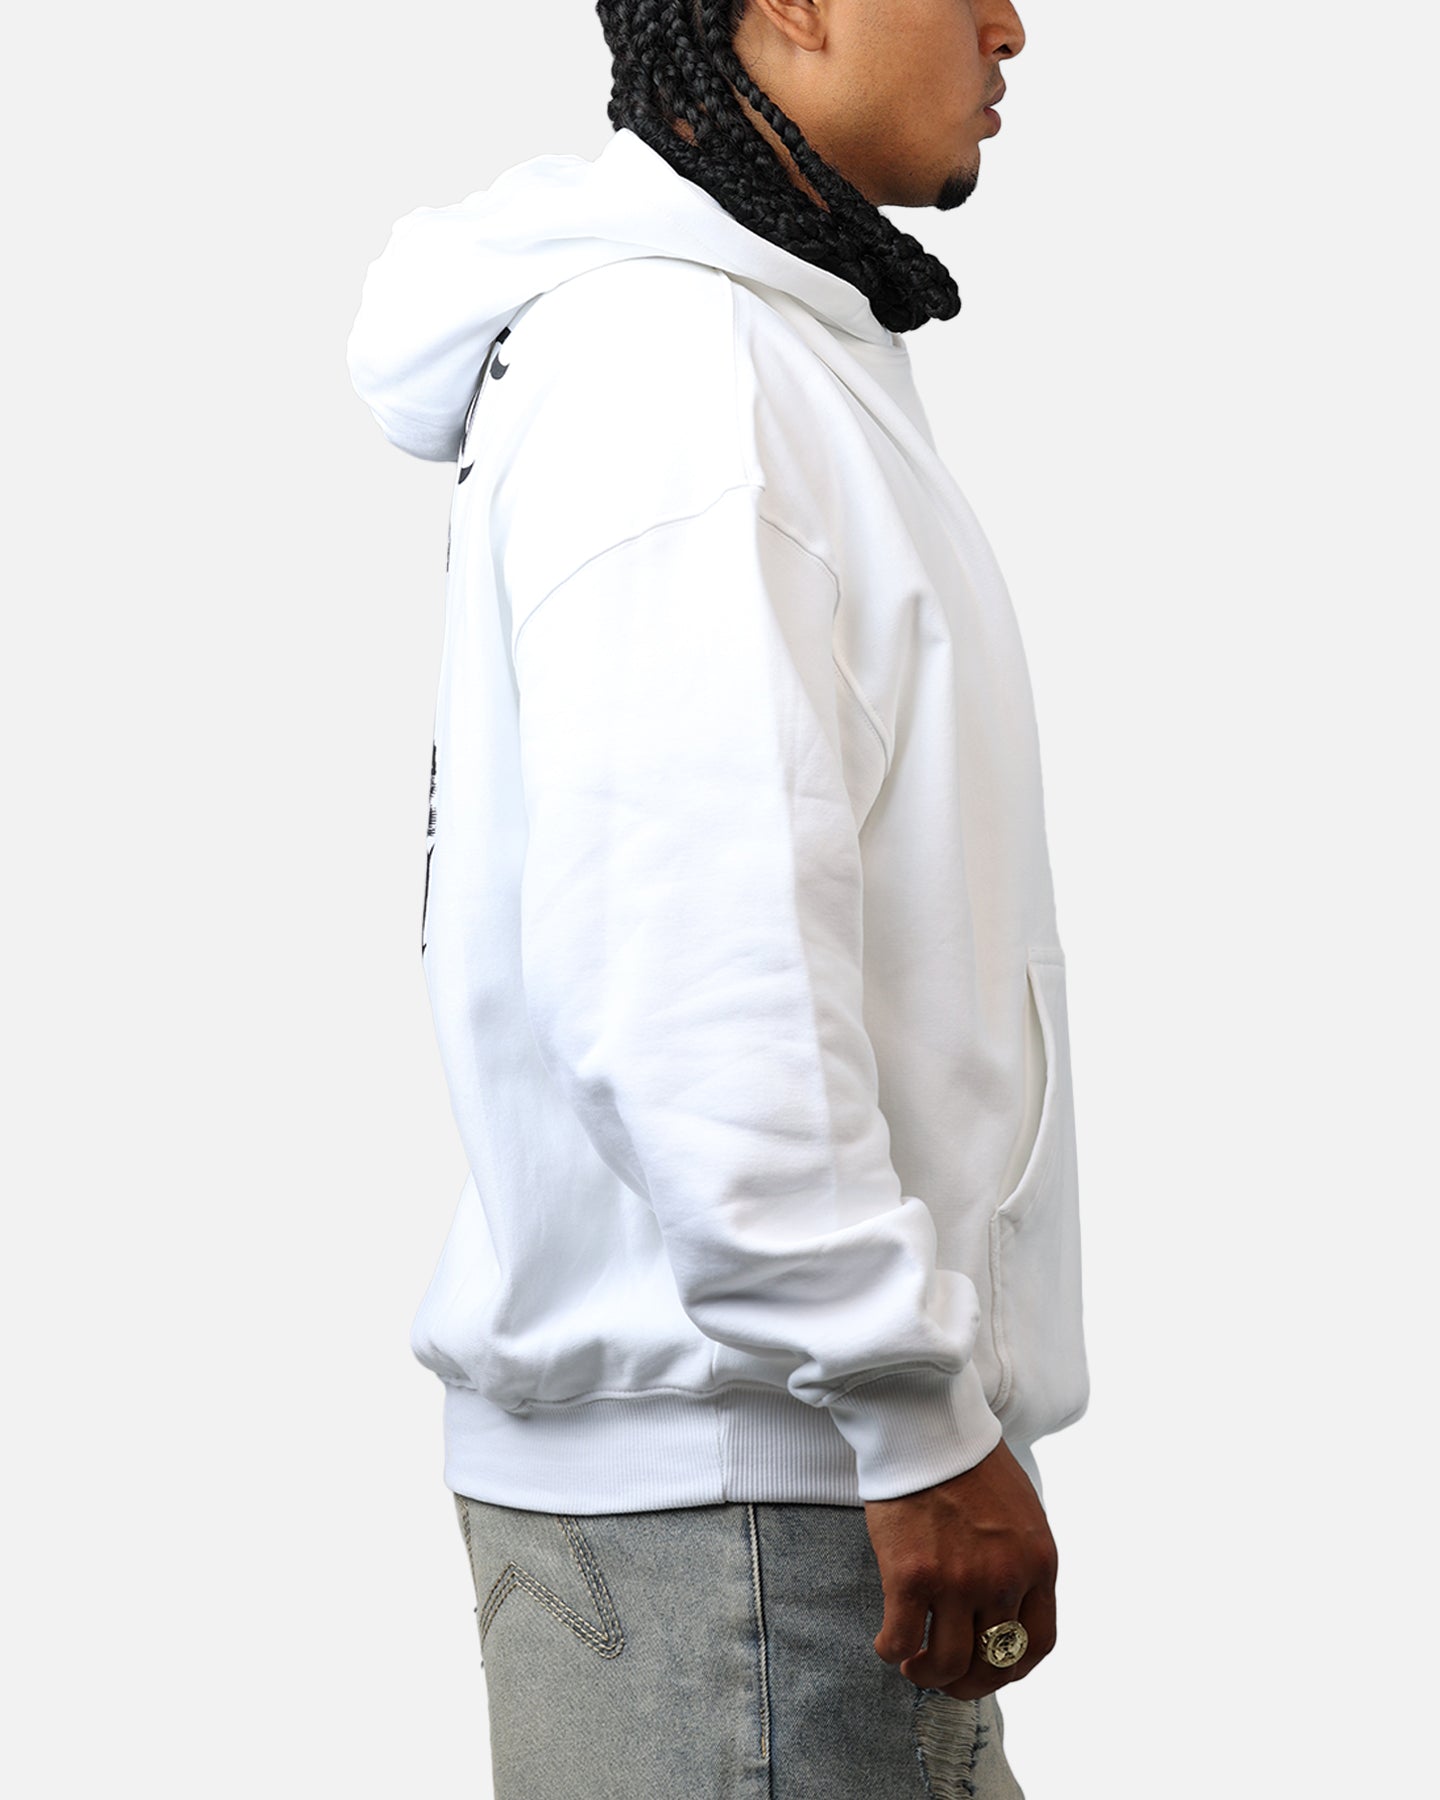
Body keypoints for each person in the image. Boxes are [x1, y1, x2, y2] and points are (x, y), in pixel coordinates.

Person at [347, 2, 1091, 1794]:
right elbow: (686, 965)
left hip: (767, 1493)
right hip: (755, 1528)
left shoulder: (748, 351)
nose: (1011, 24)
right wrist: (904, 1407)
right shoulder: (681, 370)